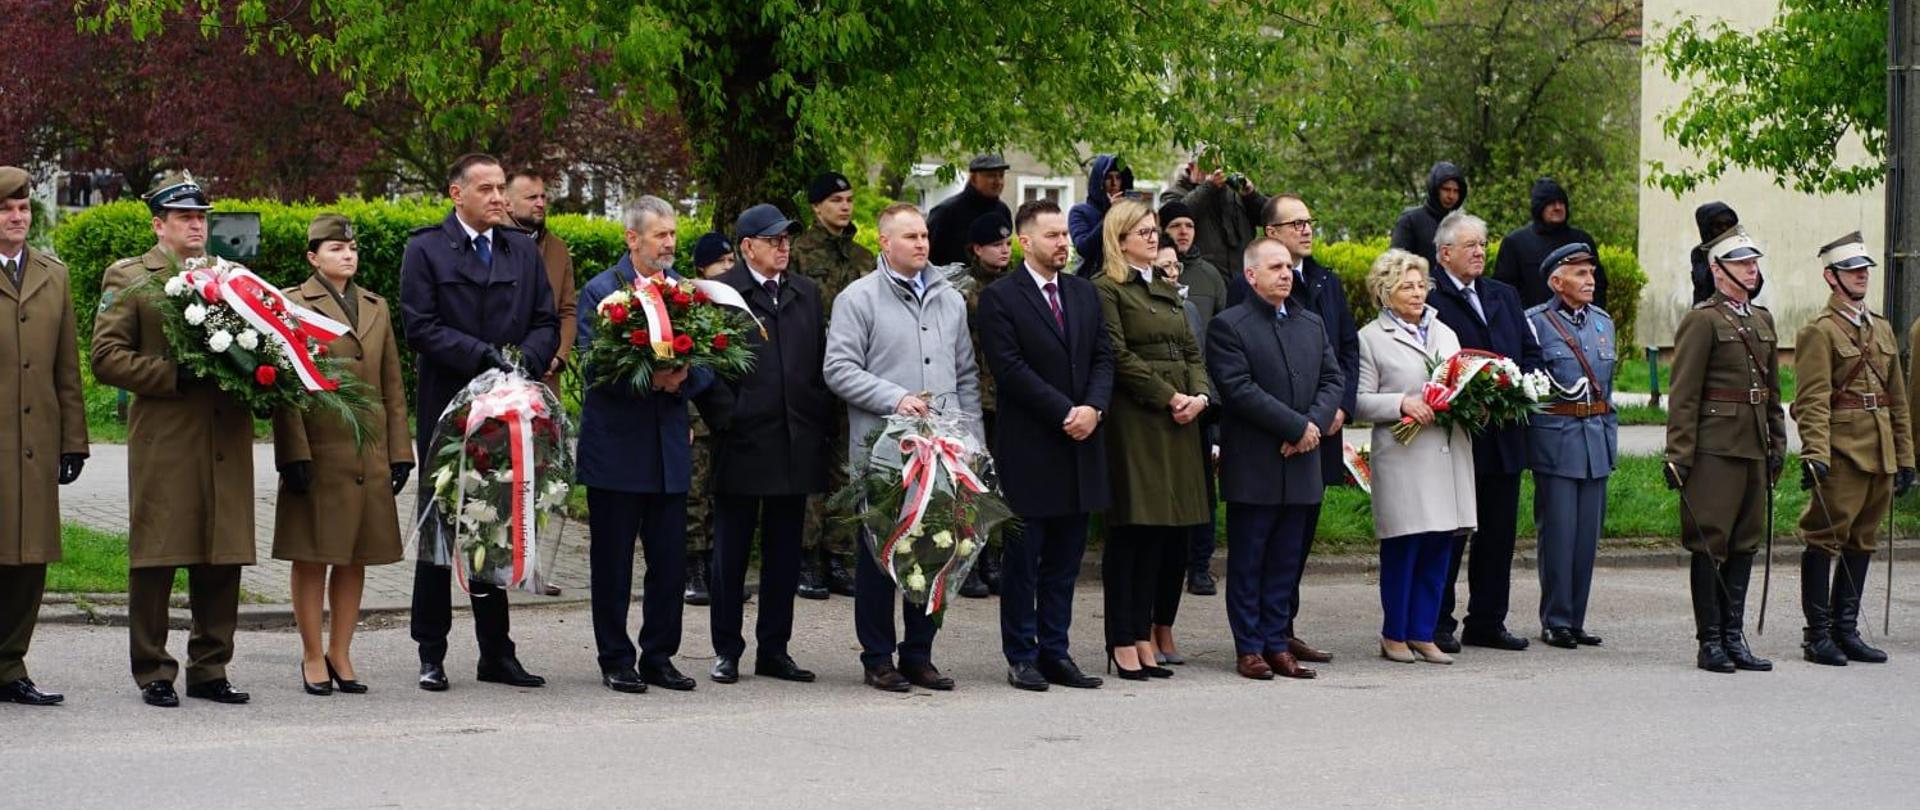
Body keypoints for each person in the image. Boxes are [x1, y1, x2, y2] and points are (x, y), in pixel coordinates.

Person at [91, 171, 253, 707]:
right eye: (184, 217)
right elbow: (106, 357)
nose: (196, 225)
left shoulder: (230, 277)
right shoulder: (131, 276)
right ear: (159, 225)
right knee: (157, 556)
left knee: (221, 555)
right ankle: (154, 669)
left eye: (201, 217)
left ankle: (211, 667)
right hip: (166, 436)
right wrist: (170, 373)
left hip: (224, 436)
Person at [400, 153, 560, 692]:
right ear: (457, 194)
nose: (497, 197)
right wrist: (483, 356)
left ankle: (496, 653)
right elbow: (420, 326)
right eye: (486, 189)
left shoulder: (521, 249)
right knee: (440, 530)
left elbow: (545, 320)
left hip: (509, 406)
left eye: (500, 188)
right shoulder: (426, 249)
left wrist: (523, 361)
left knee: (494, 524)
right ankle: (431, 650)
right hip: (450, 408)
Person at [823, 203, 983, 692]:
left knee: (932, 552)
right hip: (884, 453)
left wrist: (972, 440)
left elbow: (966, 375)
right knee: (880, 557)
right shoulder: (858, 298)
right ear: (884, 242)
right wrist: (895, 398)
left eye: (924, 236)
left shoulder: (950, 299)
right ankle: (877, 657)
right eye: (910, 236)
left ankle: (919, 654)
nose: (921, 244)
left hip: (942, 453)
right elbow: (838, 369)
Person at [272, 214, 414, 695]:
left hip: (367, 454)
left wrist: (399, 451)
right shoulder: (291, 304)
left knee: (356, 556)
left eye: (351, 248)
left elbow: (392, 385)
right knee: (313, 555)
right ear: (313, 258)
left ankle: (341, 651)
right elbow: (286, 385)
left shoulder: (376, 306)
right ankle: (313, 654)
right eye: (335, 249)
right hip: (320, 450)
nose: (347, 255)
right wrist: (293, 452)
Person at [975, 199, 1114, 691]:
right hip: (1032, 448)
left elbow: (1103, 357)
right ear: (1025, 241)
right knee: (1023, 562)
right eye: (1053, 235)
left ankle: (1056, 651)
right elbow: (1010, 369)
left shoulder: (1083, 292)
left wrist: (1093, 408)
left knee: (1064, 562)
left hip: (1081, 447)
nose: (1063, 244)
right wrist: (1065, 412)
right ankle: (1021, 654)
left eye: (1065, 235)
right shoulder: (1000, 298)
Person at [575, 195, 708, 695]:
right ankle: (615, 658)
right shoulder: (602, 291)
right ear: (633, 239)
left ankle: (659, 656)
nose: (670, 243)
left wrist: (683, 378)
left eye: (673, 234)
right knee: (613, 564)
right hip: (617, 451)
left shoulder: (685, 291)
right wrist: (652, 380)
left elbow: (713, 361)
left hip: (668, 451)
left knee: (670, 564)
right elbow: (594, 366)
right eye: (660, 235)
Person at [703, 204, 832, 686]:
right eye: (773, 239)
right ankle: (726, 648)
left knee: (784, 554)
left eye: (787, 239)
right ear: (747, 246)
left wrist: (813, 412)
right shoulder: (722, 293)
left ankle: (774, 649)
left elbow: (818, 359)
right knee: (731, 554)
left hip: (794, 438)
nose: (783, 246)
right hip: (742, 439)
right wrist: (729, 415)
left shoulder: (805, 292)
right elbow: (704, 365)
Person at [1206, 237, 1342, 681]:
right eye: (1275, 267)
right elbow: (1238, 389)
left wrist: (1312, 427)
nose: (1286, 273)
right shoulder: (1229, 325)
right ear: (1251, 275)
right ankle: (1249, 648)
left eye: (1287, 266)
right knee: (1249, 562)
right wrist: (1295, 427)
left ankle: (1277, 642)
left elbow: (1332, 379)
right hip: (1256, 464)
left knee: (1286, 562)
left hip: (1302, 462)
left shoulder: (1310, 323)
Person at [1091, 198, 1210, 680]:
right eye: (1142, 232)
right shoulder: (1107, 289)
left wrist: (1199, 396)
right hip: (1136, 420)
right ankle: (1122, 638)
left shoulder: (1164, 286)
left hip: (1179, 420)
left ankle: (1143, 634)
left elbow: (1191, 349)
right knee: (1132, 532)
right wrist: (1169, 396)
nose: (1153, 237)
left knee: (1162, 534)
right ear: (1119, 240)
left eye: (1153, 231)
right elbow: (1118, 355)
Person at [1665, 229, 1786, 674]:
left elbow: (1772, 393)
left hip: (1753, 445)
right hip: (1715, 447)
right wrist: (1679, 455)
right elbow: (1684, 394)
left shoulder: (1762, 320)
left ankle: (1734, 638)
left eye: (1754, 262)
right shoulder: (1703, 321)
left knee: (1745, 543)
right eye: (1742, 263)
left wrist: (1777, 442)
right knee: (1711, 542)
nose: (1752, 270)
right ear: (1718, 270)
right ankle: (1710, 641)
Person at [1793, 232, 1913, 666]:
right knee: (1825, 537)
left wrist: (1905, 457)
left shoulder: (1881, 328)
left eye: (1864, 269)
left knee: (1863, 539)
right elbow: (1811, 399)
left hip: (1881, 450)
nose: (1862, 275)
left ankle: (1846, 630)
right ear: (1831, 277)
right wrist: (1815, 453)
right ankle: (1817, 634)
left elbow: (1897, 400)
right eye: (1851, 270)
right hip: (1842, 450)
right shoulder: (1819, 331)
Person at [1424, 210, 1541, 653]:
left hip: (1504, 435)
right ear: (1444, 253)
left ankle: (1488, 621)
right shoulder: (1430, 296)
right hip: (1458, 434)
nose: (1479, 252)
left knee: (1498, 534)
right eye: (1470, 245)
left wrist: (1520, 385)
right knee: (1451, 533)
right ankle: (1438, 621)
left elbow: (1529, 351)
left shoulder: (1502, 294)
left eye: (1483, 245)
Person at [1354, 249, 1473, 665]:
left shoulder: (1445, 332)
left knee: (1439, 546)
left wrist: (1473, 401)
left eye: (1422, 285)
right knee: (1404, 547)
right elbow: (1359, 401)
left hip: (1445, 450)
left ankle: (1423, 633)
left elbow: (1460, 380)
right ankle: (1394, 635)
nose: (1418, 292)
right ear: (1385, 292)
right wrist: (1401, 404)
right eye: (1407, 286)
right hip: (1404, 456)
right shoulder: (1371, 337)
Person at [1255, 192, 1357, 663]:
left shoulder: (1324, 281)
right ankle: (1262, 634)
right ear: (1271, 233)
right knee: (1269, 540)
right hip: (1276, 433)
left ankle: (1284, 627)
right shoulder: (1255, 282)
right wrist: (1296, 422)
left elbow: (1346, 350)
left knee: (1300, 537)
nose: (1306, 229)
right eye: (1295, 223)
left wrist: (1339, 408)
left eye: (1308, 221)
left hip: (1322, 428)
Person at [0, 166, 87, 707]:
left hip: (36, 443)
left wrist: (74, 441)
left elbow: (66, 367)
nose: (17, 218)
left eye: (23, 209)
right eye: (6, 210)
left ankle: (10, 667)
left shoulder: (54, 275)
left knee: (29, 560)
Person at [1523, 244, 1617, 649]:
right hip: (1557, 441)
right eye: (1580, 273)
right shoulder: (1536, 323)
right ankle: (1556, 619)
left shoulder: (1603, 322)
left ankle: (1576, 619)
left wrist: (1610, 439)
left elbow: (1608, 390)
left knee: (1586, 538)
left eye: (1591, 272)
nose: (1590, 280)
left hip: (1596, 440)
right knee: (1559, 535)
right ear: (1556, 281)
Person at [791, 171, 874, 599]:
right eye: (836, 200)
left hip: (855, 374)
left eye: (849, 200)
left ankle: (839, 555)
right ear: (816, 206)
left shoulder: (864, 257)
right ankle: (806, 558)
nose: (845, 206)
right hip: (810, 372)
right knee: (810, 467)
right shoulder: (798, 253)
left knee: (846, 466)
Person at [1144, 242, 1210, 667]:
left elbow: (1198, 360)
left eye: (1175, 266)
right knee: (1151, 534)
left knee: (1179, 537)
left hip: (1190, 424)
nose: (1172, 273)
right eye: (1162, 267)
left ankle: (1165, 624)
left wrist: (1200, 399)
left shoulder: (1190, 311)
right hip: (1150, 424)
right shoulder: (1134, 305)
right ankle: (1142, 626)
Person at [959, 213, 1013, 599]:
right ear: (977, 249)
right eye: (996, 245)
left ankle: (993, 555)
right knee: (971, 482)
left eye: (1007, 243)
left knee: (1000, 483)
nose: (1004, 250)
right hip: (975, 398)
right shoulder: (962, 292)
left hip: (1008, 398)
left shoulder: (1015, 286)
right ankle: (969, 560)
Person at [683, 232, 735, 606]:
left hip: (727, 414)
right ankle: (693, 568)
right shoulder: (689, 300)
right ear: (703, 268)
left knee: (720, 492)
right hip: (695, 414)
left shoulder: (735, 300)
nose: (728, 268)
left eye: (732, 261)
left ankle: (717, 567)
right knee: (694, 493)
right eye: (721, 262)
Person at [506, 169, 578, 391]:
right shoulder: (490, 245)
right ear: (507, 204)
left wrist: (557, 358)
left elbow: (567, 310)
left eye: (542, 197)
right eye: (531, 198)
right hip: (497, 378)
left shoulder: (558, 249)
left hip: (546, 376)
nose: (540, 203)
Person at [1492, 178, 1610, 310]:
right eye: (1551, 203)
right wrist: (1523, 318)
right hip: (1529, 319)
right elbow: (1504, 290)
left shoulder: (1581, 240)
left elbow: (1599, 284)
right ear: (1539, 207)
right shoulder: (1515, 243)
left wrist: (1592, 316)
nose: (1558, 207)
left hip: (1579, 319)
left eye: (1561, 202)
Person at [1159, 151, 1264, 276]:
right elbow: (1174, 215)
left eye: (1218, 168)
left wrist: (1251, 195)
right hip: (1201, 277)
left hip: (1242, 277)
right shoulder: (1174, 193)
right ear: (1191, 167)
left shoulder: (1234, 193)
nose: (1215, 174)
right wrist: (1208, 186)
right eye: (1207, 168)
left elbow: (1268, 218)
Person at [926, 154, 1012, 267]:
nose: (998, 182)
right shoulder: (947, 212)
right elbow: (929, 257)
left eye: (1001, 176)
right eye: (991, 176)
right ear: (973, 178)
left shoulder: (1002, 211)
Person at [1390, 161, 1469, 273]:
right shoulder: (1411, 220)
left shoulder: (1462, 224)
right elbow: (1396, 265)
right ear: (1435, 190)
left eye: (1456, 191)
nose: (1451, 196)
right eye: (1446, 189)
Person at [1068, 154, 1136, 276]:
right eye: (1109, 178)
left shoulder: (1128, 213)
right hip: (1093, 277)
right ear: (1099, 181)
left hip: (1126, 275)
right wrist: (1111, 214)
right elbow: (1084, 248)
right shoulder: (1080, 211)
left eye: (1118, 177)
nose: (1114, 183)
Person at [1689, 203, 1740, 306]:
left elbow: (1754, 286)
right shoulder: (1699, 253)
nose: (1725, 229)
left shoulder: (1740, 249)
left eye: (1729, 224)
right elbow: (1707, 283)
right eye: (1719, 226)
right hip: (1707, 310)